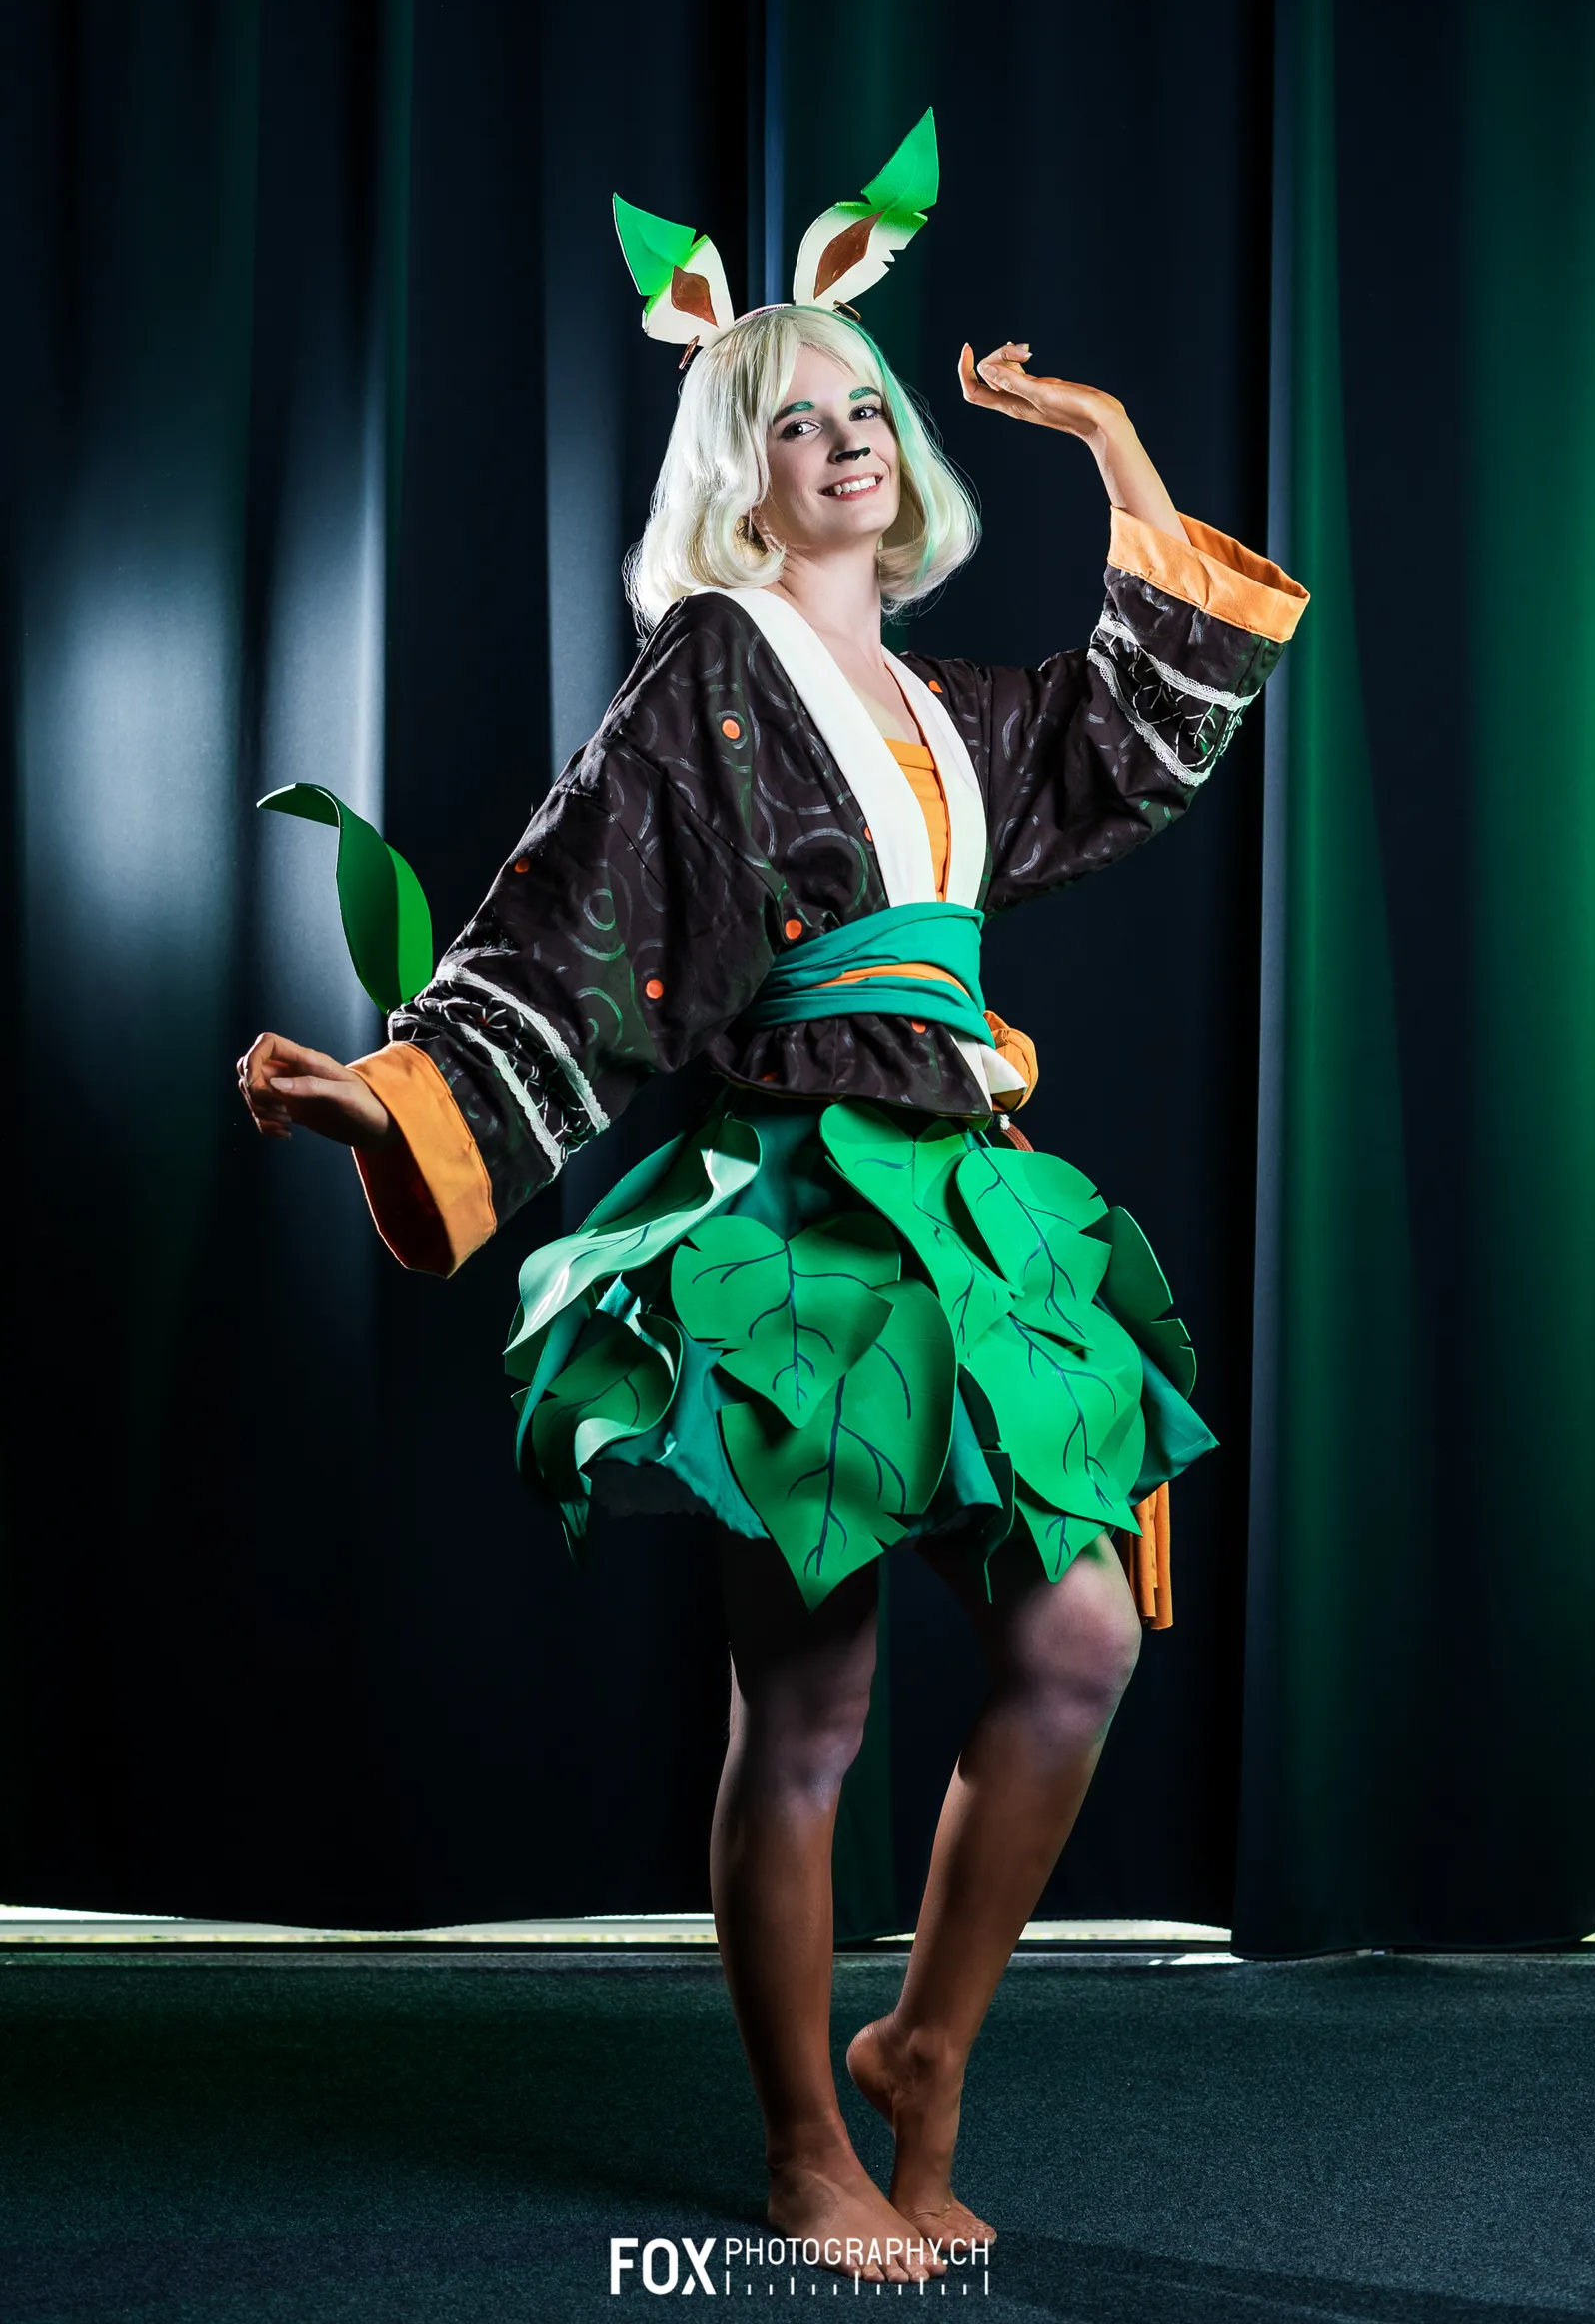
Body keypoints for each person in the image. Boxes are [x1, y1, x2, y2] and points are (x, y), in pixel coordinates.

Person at [238, 125, 1306, 2285]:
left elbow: (1129, 738)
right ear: (737, 480)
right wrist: (399, 1092)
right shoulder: (708, 674)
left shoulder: (952, 709)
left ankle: (923, 2050)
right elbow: (579, 906)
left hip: (971, 1209)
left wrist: (1110, 445)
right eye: (795, 419)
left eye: (863, 405)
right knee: (807, 1708)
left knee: (1081, 1637)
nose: (844, 436)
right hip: (793, 1205)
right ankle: (806, 2143)